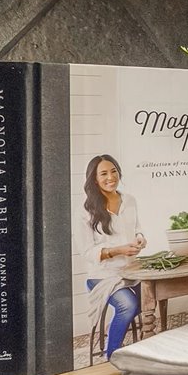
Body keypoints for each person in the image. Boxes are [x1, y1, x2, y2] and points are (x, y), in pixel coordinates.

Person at [75, 154, 146, 359]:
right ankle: (111, 354)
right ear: (94, 179)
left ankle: (143, 348)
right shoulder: (85, 210)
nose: (110, 177)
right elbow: (87, 252)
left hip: (132, 270)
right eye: (103, 173)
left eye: (113, 171)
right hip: (103, 276)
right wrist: (118, 250)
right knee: (128, 306)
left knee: (152, 298)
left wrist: (140, 240)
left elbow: (138, 229)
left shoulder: (129, 200)